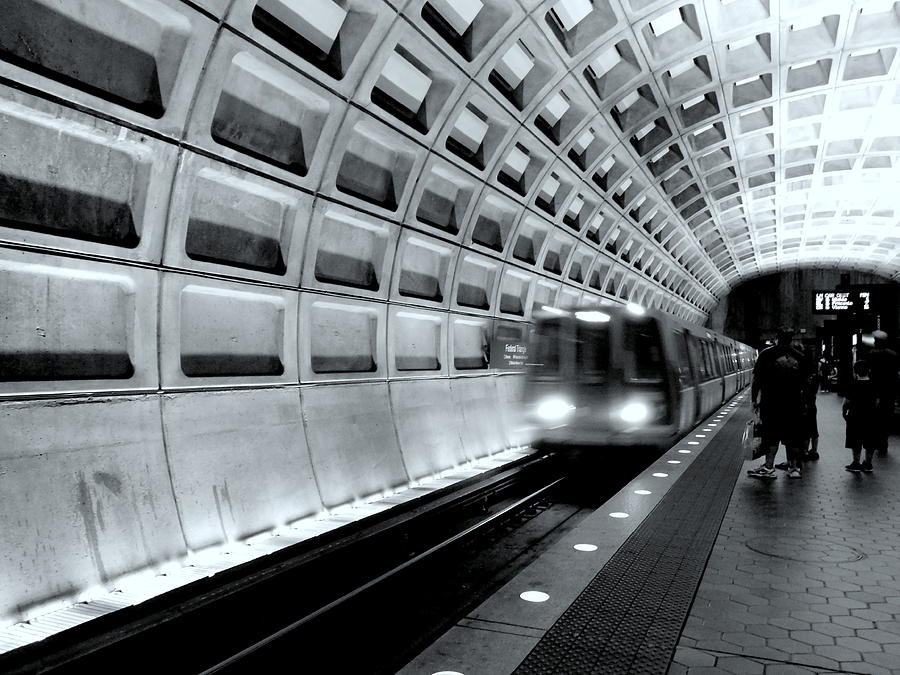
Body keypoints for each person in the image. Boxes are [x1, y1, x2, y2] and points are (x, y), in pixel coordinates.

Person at [748, 328, 808, 480]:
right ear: (791, 339)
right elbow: (806, 382)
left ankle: (769, 467)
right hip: (794, 404)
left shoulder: (766, 355)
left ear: (777, 338)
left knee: (771, 436)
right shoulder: (800, 357)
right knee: (793, 437)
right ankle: (793, 468)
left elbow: (757, 380)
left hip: (771, 403)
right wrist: (805, 402)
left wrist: (754, 401)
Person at [866, 330, 898, 456]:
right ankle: (883, 443)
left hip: (873, 392)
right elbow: (895, 376)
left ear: (877, 342)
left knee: (873, 419)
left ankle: (875, 442)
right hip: (888, 392)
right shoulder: (893, 355)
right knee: (886, 418)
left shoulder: (871, 354)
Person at [843, 360, 879, 473]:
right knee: (870, 440)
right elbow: (877, 401)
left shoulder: (853, 385)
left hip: (855, 416)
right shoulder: (874, 384)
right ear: (868, 371)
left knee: (855, 439)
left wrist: (844, 413)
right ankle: (868, 463)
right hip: (870, 416)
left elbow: (846, 402)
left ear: (855, 371)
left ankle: (856, 463)